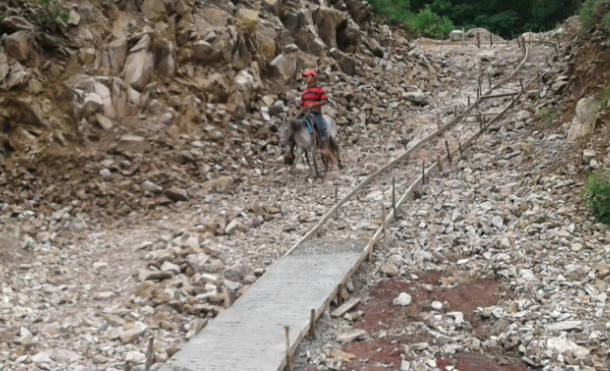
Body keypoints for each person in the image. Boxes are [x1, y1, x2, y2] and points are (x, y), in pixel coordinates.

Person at [298, 69, 328, 141]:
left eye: (307, 76)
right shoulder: (304, 92)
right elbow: (302, 106)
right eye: (304, 77)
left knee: (320, 127)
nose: (305, 78)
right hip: (305, 114)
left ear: (313, 78)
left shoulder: (319, 90)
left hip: (315, 113)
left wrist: (313, 104)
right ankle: (291, 149)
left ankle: (324, 143)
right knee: (295, 127)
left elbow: (325, 101)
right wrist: (297, 115)